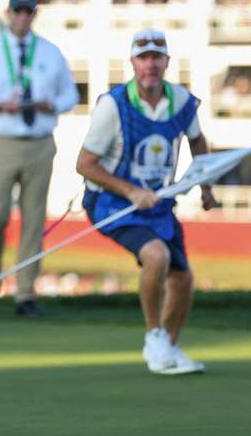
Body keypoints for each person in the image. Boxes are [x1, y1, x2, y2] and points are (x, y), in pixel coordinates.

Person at [76, 29, 216, 375]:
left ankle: (167, 345)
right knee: (157, 256)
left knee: (183, 280)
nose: (150, 64)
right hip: (113, 204)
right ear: (133, 63)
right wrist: (131, 192)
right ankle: (154, 337)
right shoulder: (113, 105)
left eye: (157, 57)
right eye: (144, 57)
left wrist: (205, 185)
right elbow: (84, 164)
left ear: (167, 61)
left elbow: (198, 143)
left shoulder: (183, 102)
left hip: (158, 205)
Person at [0, 0, 78, 317]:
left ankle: (26, 293)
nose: (23, 17)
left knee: (33, 220)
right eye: (18, 11)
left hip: (39, 140)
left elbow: (69, 95)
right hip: (2, 139)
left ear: (33, 15)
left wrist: (50, 104)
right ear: (9, 13)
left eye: (29, 12)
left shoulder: (50, 53)